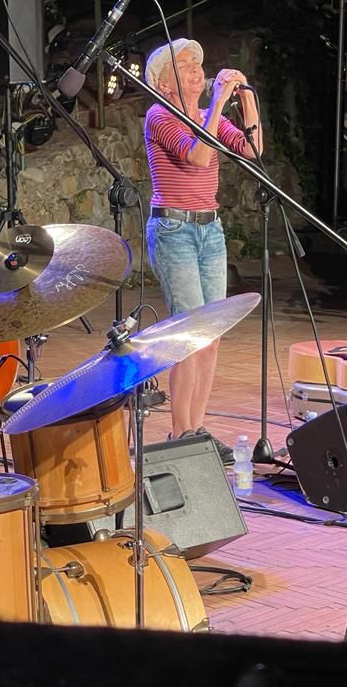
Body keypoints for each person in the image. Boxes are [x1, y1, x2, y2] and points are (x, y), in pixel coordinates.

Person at [143, 38, 263, 463]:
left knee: (211, 336)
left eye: (197, 62)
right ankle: (180, 434)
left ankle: (198, 428)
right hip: (174, 230)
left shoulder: (209, 116)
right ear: (165, 84)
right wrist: (218, 104)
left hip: (210, 230)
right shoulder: (160, 115)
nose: (196, 69)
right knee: (189, 335)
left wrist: (246, 98)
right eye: (184, 65)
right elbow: (198, 155)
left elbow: (251, 149)